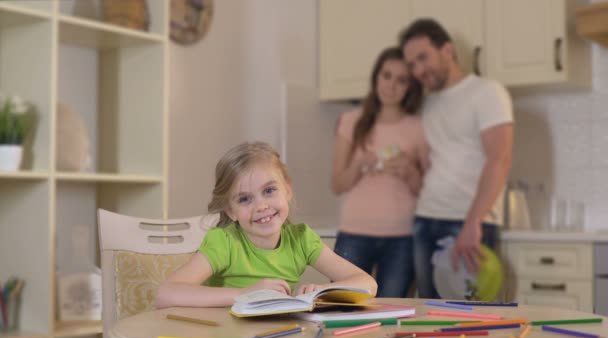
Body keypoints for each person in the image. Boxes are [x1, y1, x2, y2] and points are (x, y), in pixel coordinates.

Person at [155, 142, 377, 308]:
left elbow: (368, 283)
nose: (261, 206)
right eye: (244, 199)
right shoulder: (224, 242)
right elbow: (165, 294)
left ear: (287, 190)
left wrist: (324, 291)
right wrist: (245, 294)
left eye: (269, 191)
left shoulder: (301, 240)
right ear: (230, 211)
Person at [399, 18, 514, 299]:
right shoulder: (426, 104)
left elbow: (499, 159)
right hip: (425, 220)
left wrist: (473, 222)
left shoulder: (487, 92)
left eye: (423, 58)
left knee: (469, 318)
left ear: (447, 50)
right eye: (412, 64)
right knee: (429, 316)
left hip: (467, 223)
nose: (418, 70)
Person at [330, 47, 425, 298]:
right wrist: (360, 163)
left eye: (401, 80)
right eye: (387, 75)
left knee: (390, 315)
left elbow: (425, 192)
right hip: (354, 233)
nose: (391, 85)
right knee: (340, 306)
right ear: (376, 77)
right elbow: (337, 184)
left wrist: (409, 172)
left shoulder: (418, 127)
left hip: (402, 239)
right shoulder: (352, 121)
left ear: (410, 87)